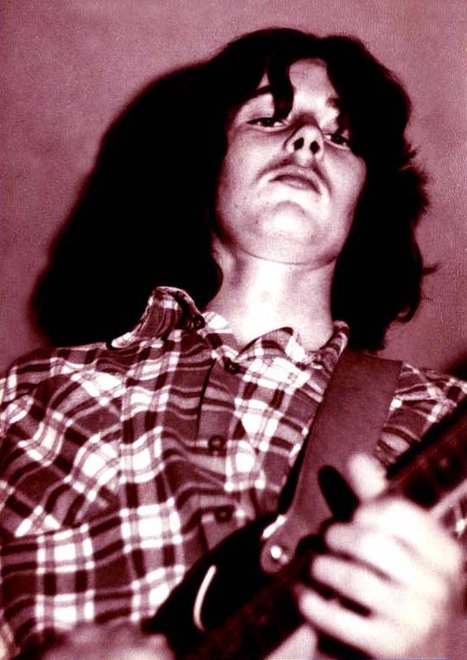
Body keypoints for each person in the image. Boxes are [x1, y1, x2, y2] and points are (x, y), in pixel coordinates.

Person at [1, 27, 466, 659]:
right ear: (205, 163)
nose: (308, 140)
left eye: (341, 136)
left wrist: (442, 647)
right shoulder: (31, 398)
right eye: (270, 119)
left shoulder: (441, 420)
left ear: (365, 198)